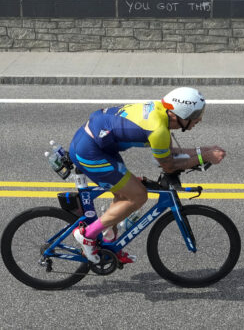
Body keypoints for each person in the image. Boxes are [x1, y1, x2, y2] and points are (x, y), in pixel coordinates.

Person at [69, 86, 226, 263]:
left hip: (98, 143)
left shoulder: (160, 112)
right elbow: (169, 166)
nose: (200, 119)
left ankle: (108, 241)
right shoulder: (158, 129)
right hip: (90, 151)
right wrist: (203, 157)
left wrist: (203, 151)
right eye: (196, 114)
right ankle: (87, 235)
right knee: (138, 195)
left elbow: (168, 151)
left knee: (125, 193)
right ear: (182, 113)